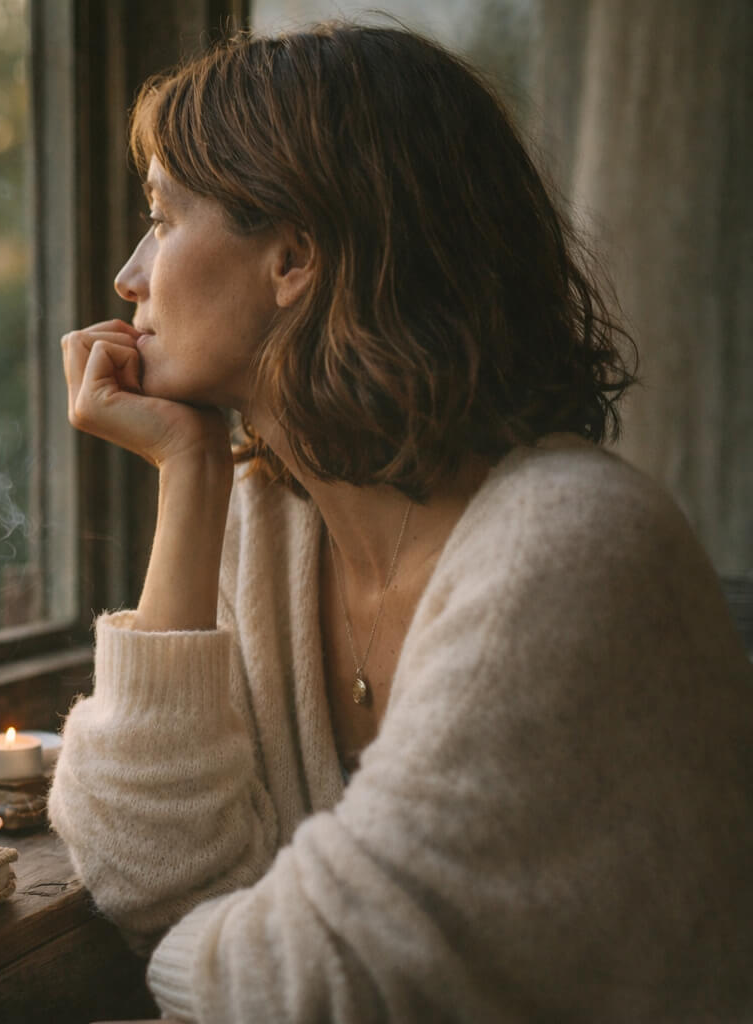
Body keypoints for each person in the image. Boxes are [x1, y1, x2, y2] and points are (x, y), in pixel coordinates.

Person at [46, 21, 753, 1023]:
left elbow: (321, 982)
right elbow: (141, 859)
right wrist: (192, 472)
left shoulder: (572, 545)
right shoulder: (274, 524)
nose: (129, 275)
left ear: (293, 256)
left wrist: (194, 949)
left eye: (162, 218)